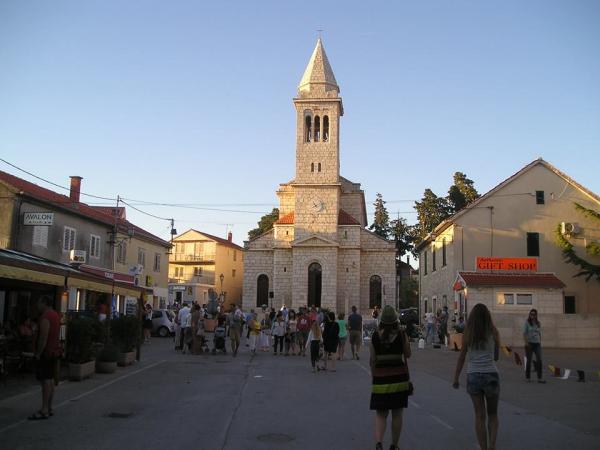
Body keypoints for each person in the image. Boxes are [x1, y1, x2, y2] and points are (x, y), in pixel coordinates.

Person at [453, 303, 500, 450]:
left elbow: (461, 357)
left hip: (473, 375)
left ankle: (483, 447)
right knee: (493, 414)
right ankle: (492, 445)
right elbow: (496, 357)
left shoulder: (468, 334)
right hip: (491, 374)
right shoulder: (494, 332)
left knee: (479, 415)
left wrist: (456, 378)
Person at [370, 305, 411, 450]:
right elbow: (407, 355)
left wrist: (374, 376)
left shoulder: (375, 336)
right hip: (399, 380)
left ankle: (379, 444)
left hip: (380, 380)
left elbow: (373, 360)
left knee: (381, 414)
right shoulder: (401, 335)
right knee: (397, 414)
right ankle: (394, 445)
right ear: (395, 320)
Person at [29, 295, 60, 420]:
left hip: (46, 353)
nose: (37, 305)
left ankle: (44, 409)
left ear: (44, 303)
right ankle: (49, 407)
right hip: (53, 352)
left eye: (39, 302)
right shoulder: (55, 315)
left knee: (46, 381)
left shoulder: (46, 317)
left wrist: (38, 353)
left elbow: (43, 337)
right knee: (50, 380)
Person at [523, 308, 545, 384]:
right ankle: (528, 377)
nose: (532, 315)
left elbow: (539, 333)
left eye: (534, 314)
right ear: (529, 315)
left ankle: (540, 378)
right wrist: (526, 343)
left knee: (539, 360)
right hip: (529, 344)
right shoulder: (527, 323)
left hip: (537, 344)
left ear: (536, 315)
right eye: (531, 314)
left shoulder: (538, 323)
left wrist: (540, 341)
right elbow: (524, 333)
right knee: (529, 361)